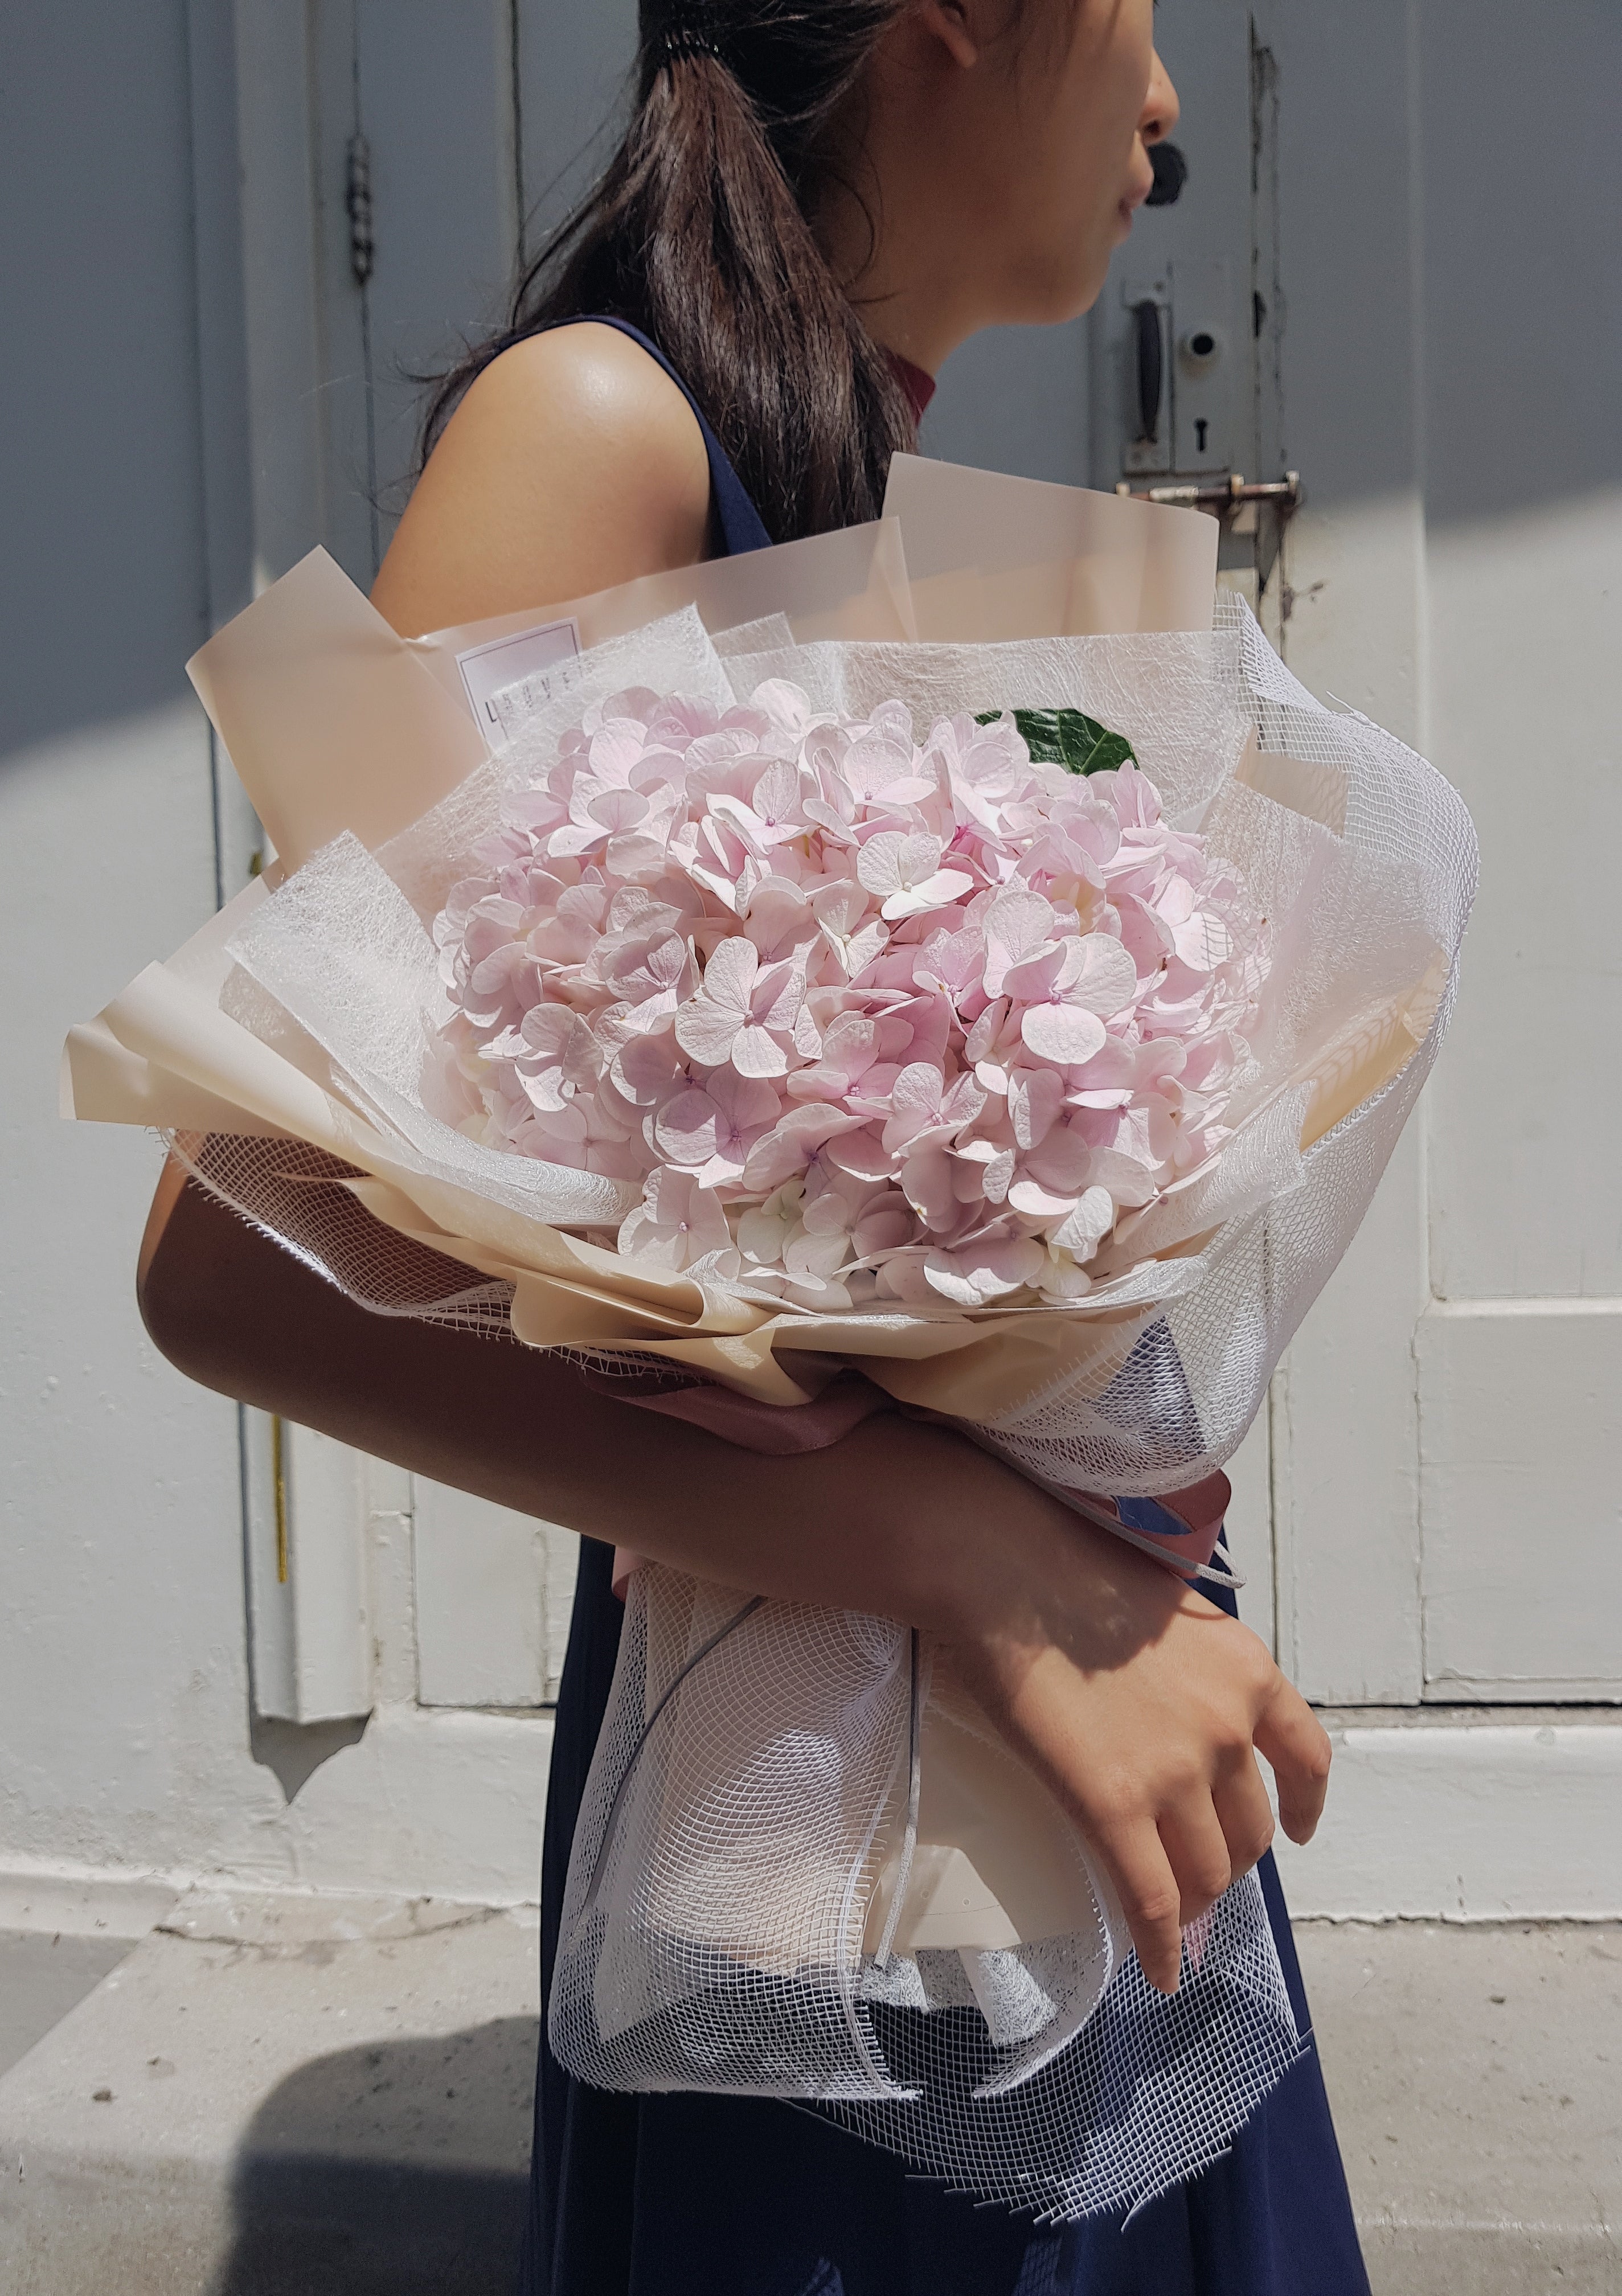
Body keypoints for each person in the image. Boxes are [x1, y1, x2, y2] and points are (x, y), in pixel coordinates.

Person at [140, 2, 1371, 2288]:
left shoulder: (867, 469)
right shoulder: (604, 420)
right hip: (852, 1761)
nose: (1177, 99)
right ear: (957, 24)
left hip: (1041, 1708)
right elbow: (231, 1253)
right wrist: (1009, 1583)